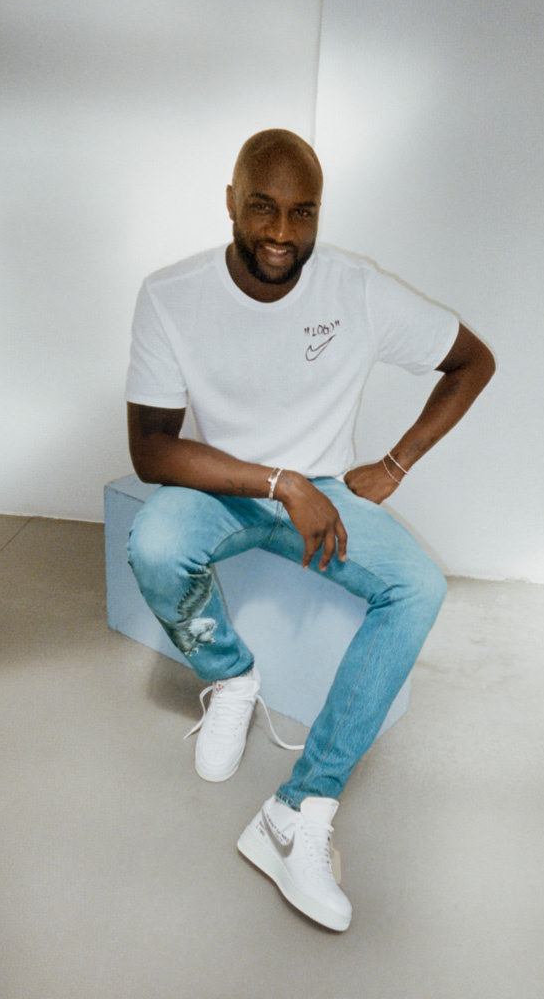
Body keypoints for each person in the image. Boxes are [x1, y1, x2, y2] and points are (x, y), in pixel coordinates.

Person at [125, 129, 495, 932]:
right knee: (152, 542)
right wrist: (276, 482)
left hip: (324, 493)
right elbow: (151, 449)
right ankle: (231, 677)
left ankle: (297, 812)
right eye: (262, 207)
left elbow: (472, 361)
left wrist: (392, 464)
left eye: (302, 213)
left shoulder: (356, 290)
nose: (281, 234)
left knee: (417, 587)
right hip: (229, 487)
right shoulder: (170, 293)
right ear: (230, 200)